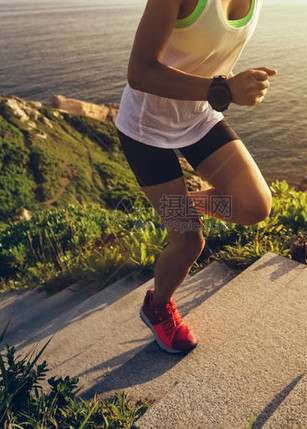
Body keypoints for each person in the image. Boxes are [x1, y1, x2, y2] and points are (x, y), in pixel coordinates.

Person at [115, 0, 277, 353]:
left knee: (255, 205)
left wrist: (225, 89)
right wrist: (224, 90)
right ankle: (156, 307)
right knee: (189, 241)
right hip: (145, 131)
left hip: (199, 118)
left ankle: (178, 207)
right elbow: (139, 71)